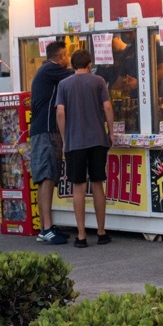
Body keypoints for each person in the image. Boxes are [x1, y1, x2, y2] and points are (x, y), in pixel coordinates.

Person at [55, 48, 113, 248]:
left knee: (78, 188)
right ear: (89, 65)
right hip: (97, 140)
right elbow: (107, 107)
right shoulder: (98, 81)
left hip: (75, 142)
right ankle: (102, 232)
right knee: (97, 184)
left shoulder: (63, 85)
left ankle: (81, 235)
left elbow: (60, 113)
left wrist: (64, 139)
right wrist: (111, 131)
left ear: (73, 65)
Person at [29, 40, 73, 245]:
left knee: (46, 180)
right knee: (47, 178)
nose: (68, 59)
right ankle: (46, 228)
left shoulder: (46, 71)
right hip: (46, 132)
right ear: (60, 56)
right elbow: (78, 74)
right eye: (67, 55)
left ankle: (45, 226)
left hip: (43, 131)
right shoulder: (51, 69)